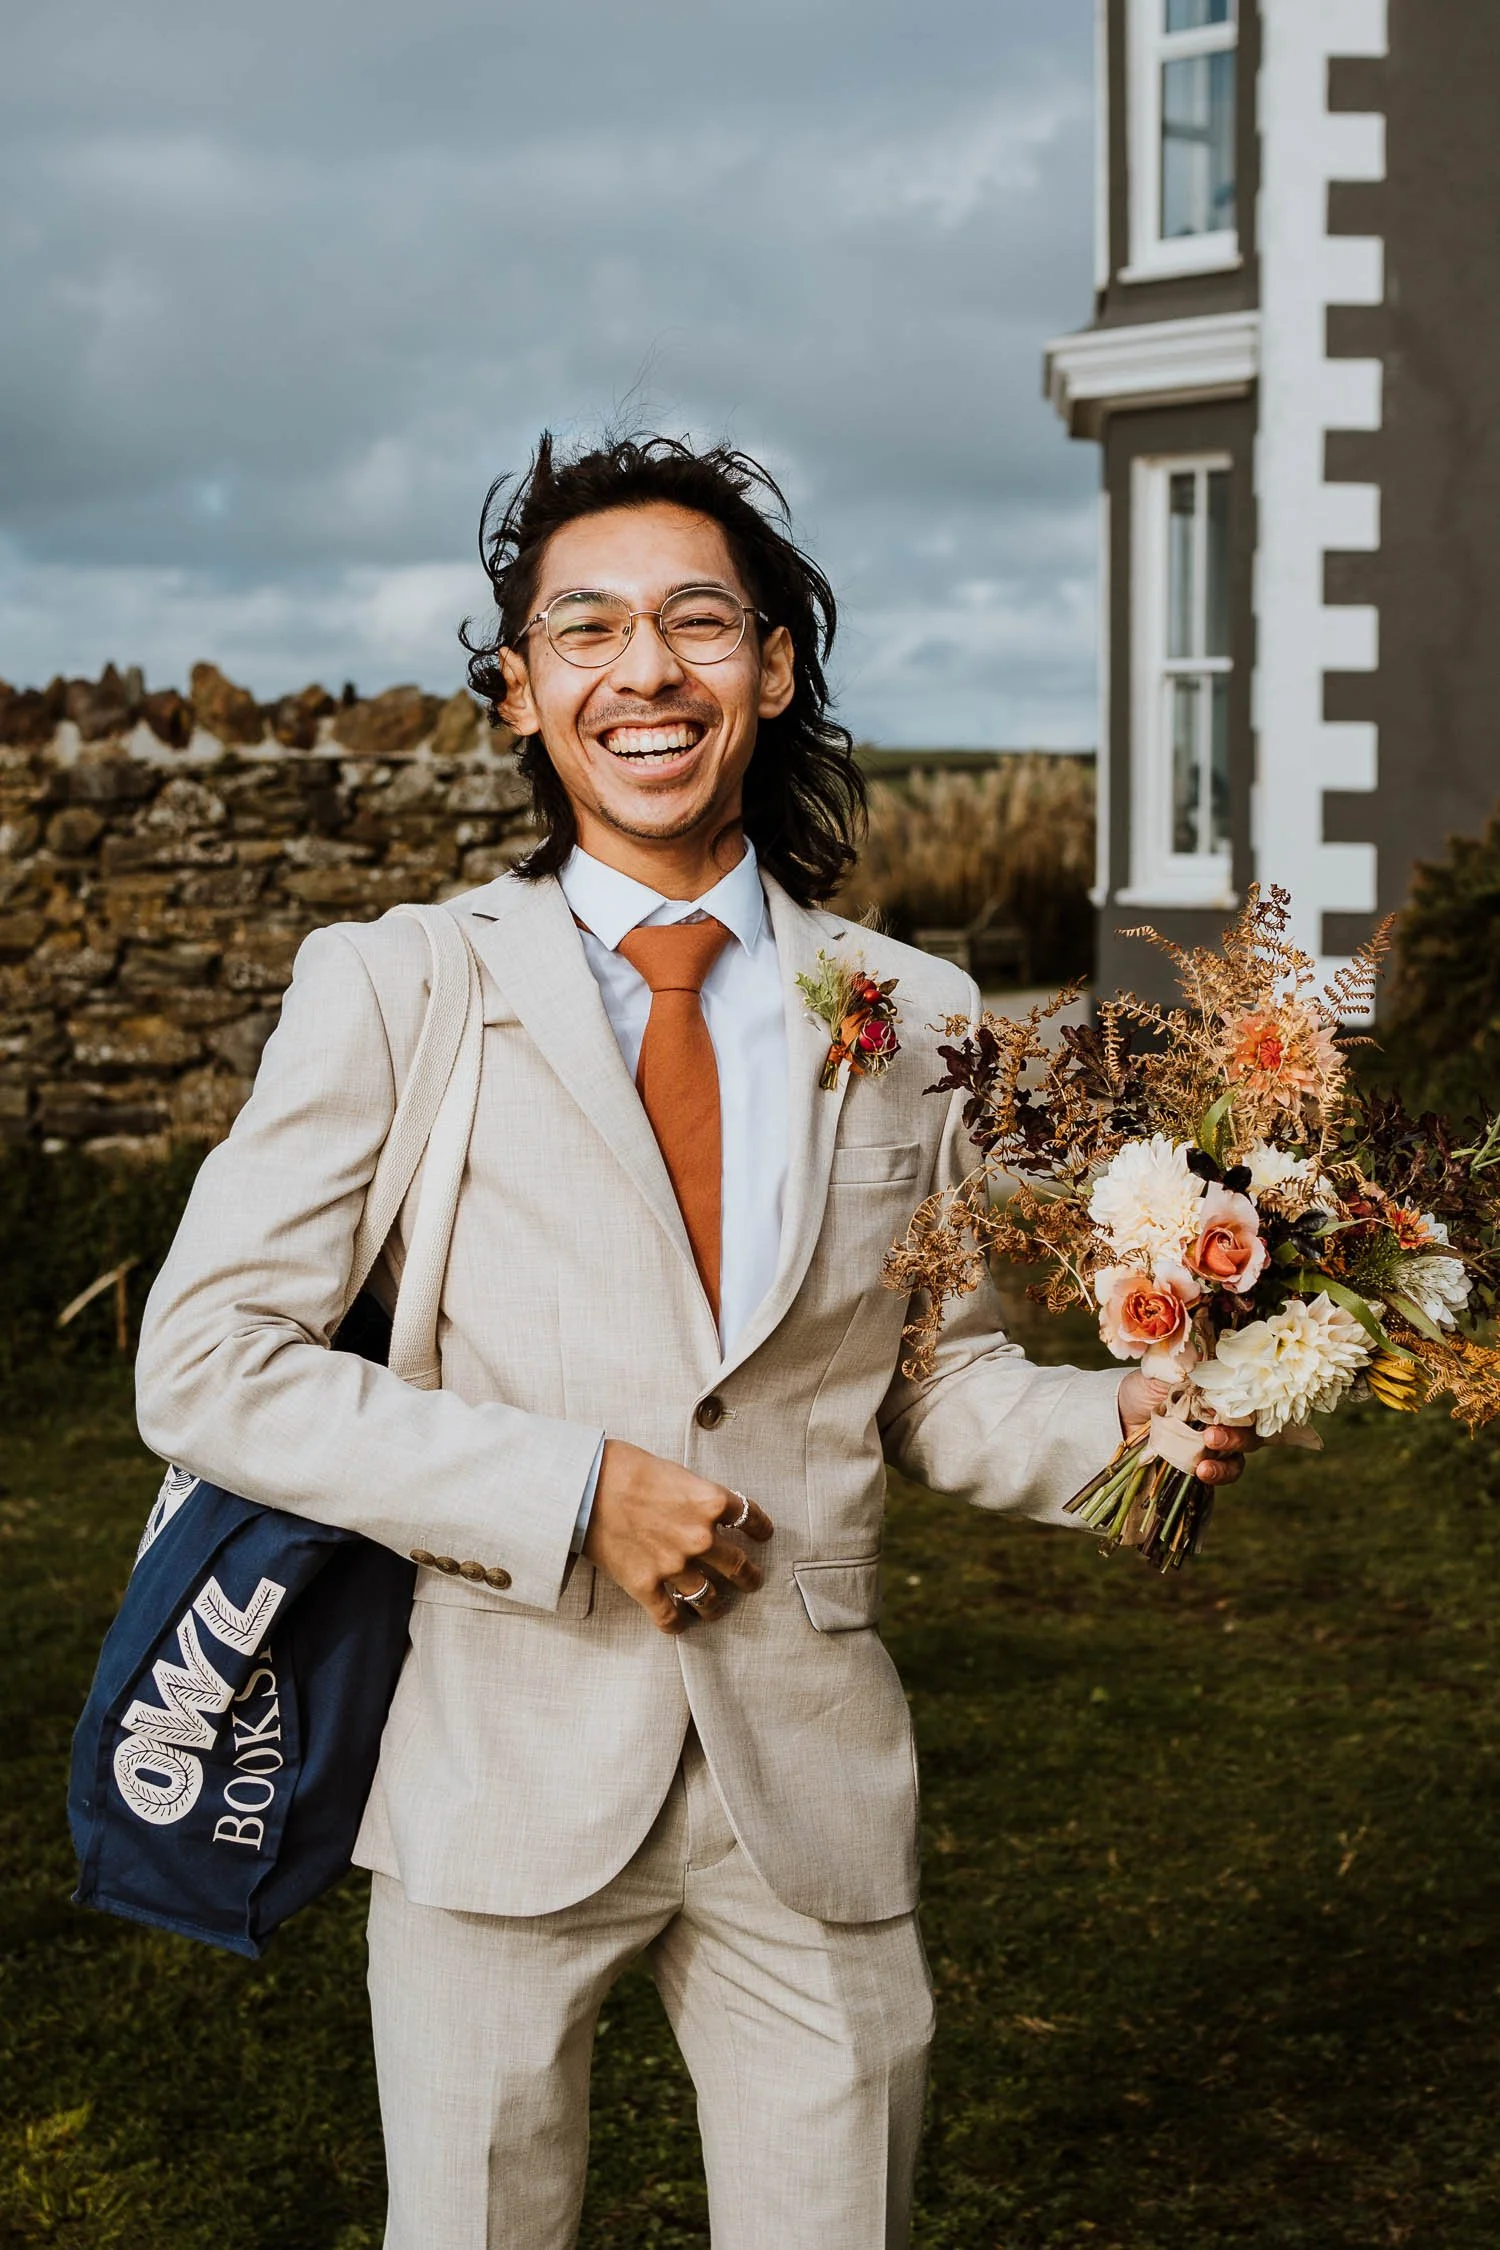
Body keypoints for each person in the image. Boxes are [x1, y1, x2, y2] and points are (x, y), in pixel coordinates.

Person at [136, 433, 1253, 2250]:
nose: (642, 669)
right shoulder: (402, 982)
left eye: (696, 621)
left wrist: (1128, 1419)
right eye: (583, 629)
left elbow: (937, 1388)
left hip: (811, 1791)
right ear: (518, 691)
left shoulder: (915, 1014)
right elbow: (207, 1358)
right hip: (493, 1771)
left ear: (776, 666)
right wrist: (574, 1492)